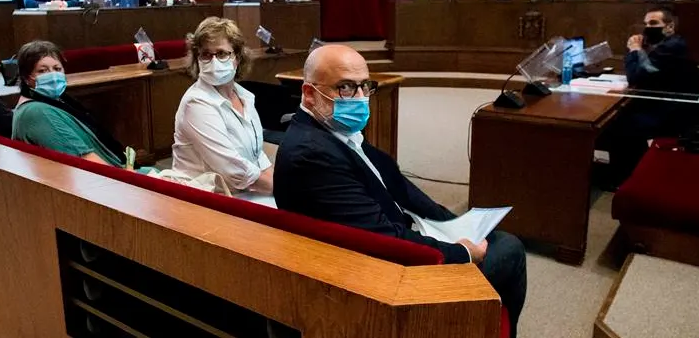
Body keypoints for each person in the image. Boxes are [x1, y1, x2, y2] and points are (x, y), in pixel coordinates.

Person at [273, 45, 526, 336]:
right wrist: (461, 254)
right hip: (382, 277)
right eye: (345, 88)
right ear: (309, 93)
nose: (359, 99)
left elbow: (395, 183)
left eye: (364, 87)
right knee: (510, 248)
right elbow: (381, 241)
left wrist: (449, 222)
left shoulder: (330, 128)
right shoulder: (312, 154)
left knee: (497, 238)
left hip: (393, 238)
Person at [598, 7, 699, 187]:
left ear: (669, 26)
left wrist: (635, 50)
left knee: (618, 124)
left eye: (653, 23)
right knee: (620, 116)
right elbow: (649, 74)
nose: (647, 27)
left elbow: (638, 75)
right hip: (665, 101)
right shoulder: (667, 44)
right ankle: (631, 169)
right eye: (645, 24)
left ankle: (624, 177)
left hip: (678, 111)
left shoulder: (673, 46)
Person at [172, 17, 275, 205]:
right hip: (205, 199)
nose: (213, 61)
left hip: (241, 191)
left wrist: (281, 183)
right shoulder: (196, 103)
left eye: (221, 54)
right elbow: (233, 168)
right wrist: (282, 188)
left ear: (237, 57)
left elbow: (255, 152)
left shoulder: (244, 96)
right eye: (205, 55)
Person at [11, 40, 134, 168]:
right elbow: (85, 160)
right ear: (26, 78)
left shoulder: (53, 101)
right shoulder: (37, 112)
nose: (53, 75)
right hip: (104, 180)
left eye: (57, 69)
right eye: (42, 71)